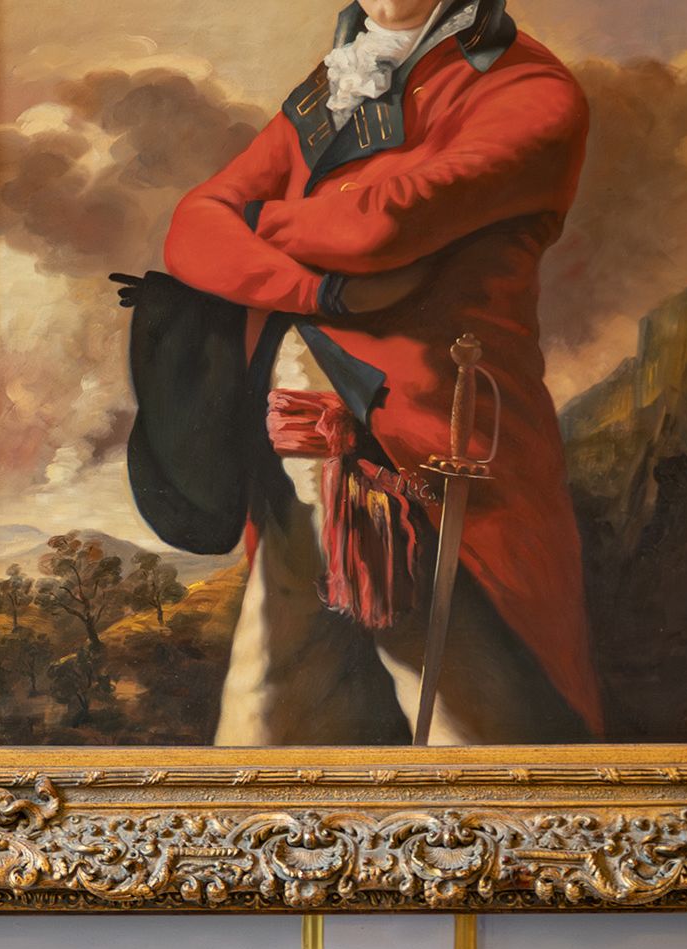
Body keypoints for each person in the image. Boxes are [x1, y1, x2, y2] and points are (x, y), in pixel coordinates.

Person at [136, 0, 600, 746]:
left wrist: (256, 220)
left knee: (475, 725)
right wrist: (321, 290)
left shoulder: (528, 90)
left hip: (434, 450)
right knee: (270, 711)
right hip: (290, 447)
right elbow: (192, 227)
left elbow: (379, 224)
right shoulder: (335, 86)